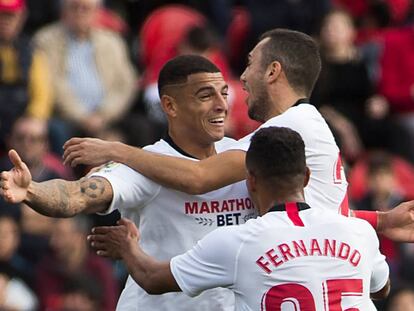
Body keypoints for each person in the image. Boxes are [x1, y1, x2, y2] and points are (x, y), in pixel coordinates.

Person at [63, 28, 414, 242]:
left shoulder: (288, 129)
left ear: (273, 71)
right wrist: (381, 220)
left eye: (250, 64)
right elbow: (323, 213)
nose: (242, 78)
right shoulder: (304, 124)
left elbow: (199, 178)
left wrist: (116, 150)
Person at [0, 55, 254, 310]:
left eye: (224, 93)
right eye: (205, 96)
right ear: (170, 106)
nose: (222, 105)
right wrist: (31, 190)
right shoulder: (142, 166)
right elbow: (77, 195)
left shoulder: (243, 157)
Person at [88, 126, 391, 310]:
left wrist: (127, 247)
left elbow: (153, 279)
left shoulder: (239, 241)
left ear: (251, 181)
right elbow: (381, 288)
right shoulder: (357, 231)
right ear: (308, 176)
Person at [33, 0, 136, 140]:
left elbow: (125, 83)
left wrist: (104, 113)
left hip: (108, 116)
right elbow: (53, 84)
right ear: (63, 11)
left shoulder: (112, 41)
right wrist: (82, 117)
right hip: (67, 117)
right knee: (57, 130)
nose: (79, 13)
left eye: (86, 8)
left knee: (141, 127)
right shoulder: (45, 40)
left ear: (97, 12)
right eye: (74, 7)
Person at [0, 0, 53, 149]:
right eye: (1, 15)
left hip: (23, 114)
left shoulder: (31, 50)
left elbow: (42, 92)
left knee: (47, 132)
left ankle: (50, 171)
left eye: (10, 16)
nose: (4, 21)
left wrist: (33, 117)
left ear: (21, 17)